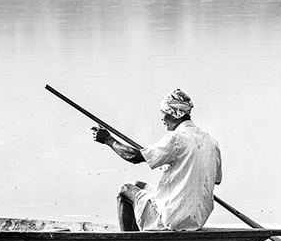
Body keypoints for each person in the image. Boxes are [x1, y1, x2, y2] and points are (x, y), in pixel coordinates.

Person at [91, 89, 222, 232]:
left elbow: (134, 157)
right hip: (197, 220)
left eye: (163, 112)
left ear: (174, 114)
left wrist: (109, 140)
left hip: (172, 220)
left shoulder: (176, 139)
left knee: (125, 190)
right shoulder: (211, 141)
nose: (162, 118)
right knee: (137, 185)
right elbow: (217, 180)